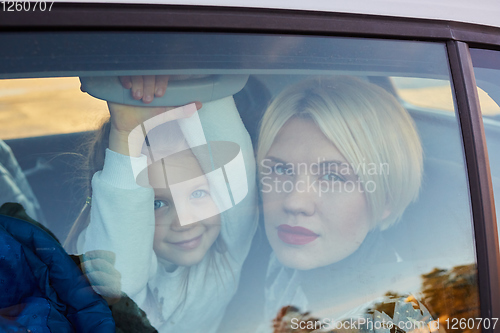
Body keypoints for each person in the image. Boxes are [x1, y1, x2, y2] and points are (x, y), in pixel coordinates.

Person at [64, 75, 259, 333]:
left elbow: (234, 159)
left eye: (199, 193)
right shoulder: (103, 248)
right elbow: (119, 284)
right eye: (157, 203)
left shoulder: (226, 251)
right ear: (121, 204)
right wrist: (125, 137)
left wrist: (189, 73)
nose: (184, 221)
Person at [256, 76, 424, 330]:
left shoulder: (395, 321)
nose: (294, 201)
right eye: (280, 169)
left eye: (333, 176)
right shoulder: (286, 263)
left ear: (385, 198)